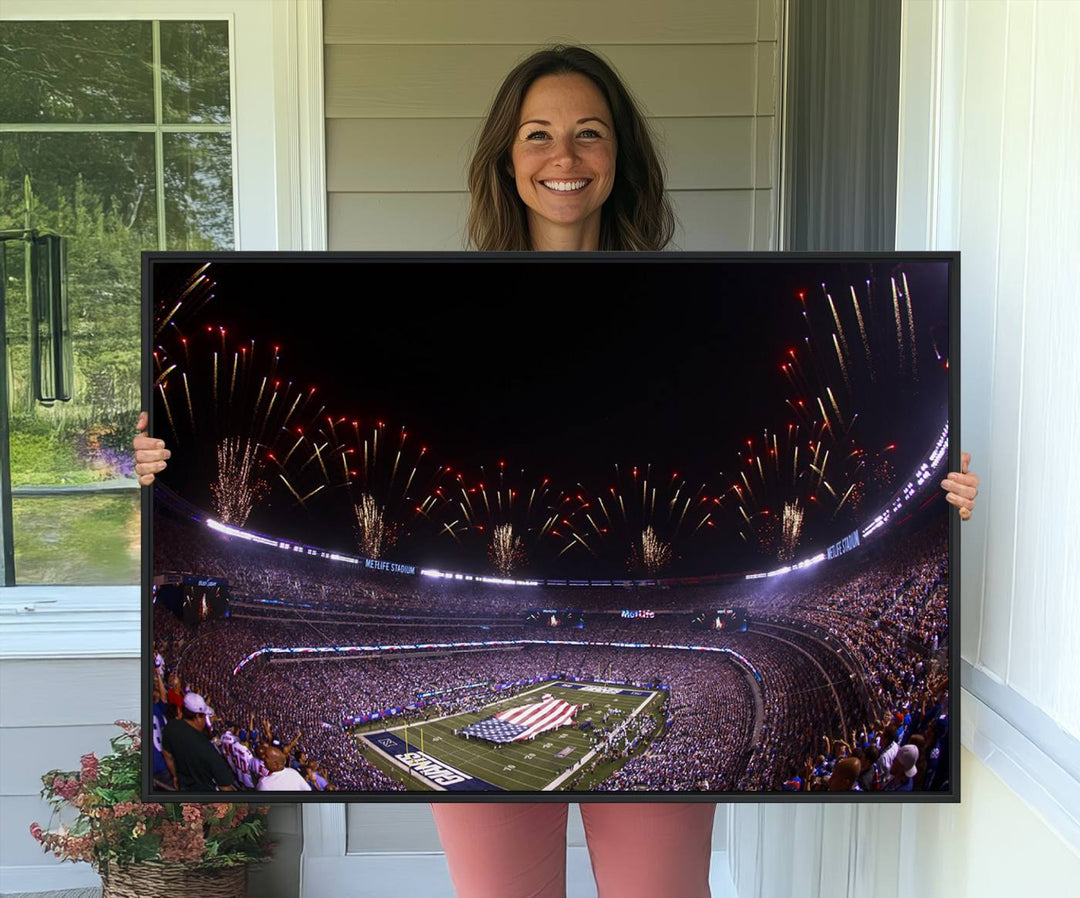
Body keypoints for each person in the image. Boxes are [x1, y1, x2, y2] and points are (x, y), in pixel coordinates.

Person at [135, 43, 981, 898]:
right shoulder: (447, 319)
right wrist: (156, 456)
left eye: (589, 133)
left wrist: (941, 505)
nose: (563, 157)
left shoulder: (684, 313)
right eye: (538, 134)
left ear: (621, 158)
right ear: (507, 157)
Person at [160, 692, 238, 792]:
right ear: (197, 717)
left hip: (182, 785)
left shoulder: (170, 727)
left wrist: (175, 776)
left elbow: (167, 755)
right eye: (204, 716)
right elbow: (225, 787)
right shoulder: (208, 750)